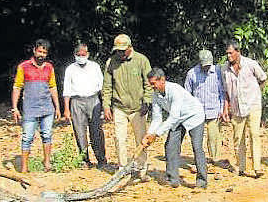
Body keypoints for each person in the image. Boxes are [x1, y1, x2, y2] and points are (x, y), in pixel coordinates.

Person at [141, 68, 208, 188]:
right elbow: (157, 118)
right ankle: (173, 179)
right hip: (178, 120)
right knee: (170, 146)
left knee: (197, 147)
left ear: (162, 80)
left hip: (194, 116)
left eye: (153, 83)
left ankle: (201, 181)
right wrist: (149, 133)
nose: (152, 87)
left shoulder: (175, 90)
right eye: (150, 84)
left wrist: (156, 135)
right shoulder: (155, 95)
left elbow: (173, 117)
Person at [102, 34, 152, 179]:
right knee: (119, 138)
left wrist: (147, 102)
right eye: (118, 50)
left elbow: (148, 84)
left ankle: (142, 168)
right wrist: (106, 106)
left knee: (141, 139)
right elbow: (107, 86)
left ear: (130, 48)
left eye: (123, 50)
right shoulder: (111, 63)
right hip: (119, 107)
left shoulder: (141, 60)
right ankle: (123, 169)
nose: (120, 53)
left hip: (138, 108)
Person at [11, 39, 61, 172]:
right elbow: (17, 87)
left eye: (44, 52)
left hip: (47, 108)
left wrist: (57, 107)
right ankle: (24, 167)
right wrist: (15, 108)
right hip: (30, 109)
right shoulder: (23, 67)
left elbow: (53, 87)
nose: (41, 54)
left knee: (47, 135)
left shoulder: (49, 67)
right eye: (39, 51)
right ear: (34, 50)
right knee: (27, 137)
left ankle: (47, 163)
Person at [221, 40, 267, 178]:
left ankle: (257, 168)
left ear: (238, 52)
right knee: (238, 138)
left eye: (231, 52)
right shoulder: (224, 69)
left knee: (254, 134)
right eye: (227, 53)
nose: (228, 56)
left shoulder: (251, 64)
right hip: (236, 108)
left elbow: (263, 78)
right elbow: (226, 91)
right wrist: (225, 108)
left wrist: (256, 92)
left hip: (253, 104)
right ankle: (241, 167)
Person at [62, 43, 107, 168]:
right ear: (75, 55)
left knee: (96, 131)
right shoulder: (70, 69)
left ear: (88, 54)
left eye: (83, 54)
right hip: (77, 102)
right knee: (79, 132)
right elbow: (67, 89)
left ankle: (101, 159)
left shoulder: (95, 67)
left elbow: (102, 87)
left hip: (94, 100)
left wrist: (105, 106)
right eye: (79, 55)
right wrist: (66, 109)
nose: (81, 57)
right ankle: (84, 160)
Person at [184, 49, 225, 167]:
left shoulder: (218, 71)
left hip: (214, 109)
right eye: (204, 65)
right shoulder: (192, 73)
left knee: (214, 136)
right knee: (198, 138)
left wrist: (222, 109)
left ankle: (215, 159)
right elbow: (187, 93)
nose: (206, 67)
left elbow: (222, 91)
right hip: (198, 111)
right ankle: (200, 160)